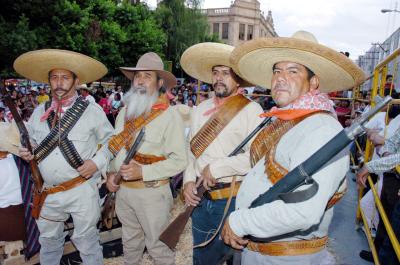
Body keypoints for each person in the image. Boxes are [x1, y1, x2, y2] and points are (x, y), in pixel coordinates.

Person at [221, 30, 365, 265]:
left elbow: (302, 211)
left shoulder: (322, 130)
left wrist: (239, 222)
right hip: (259, 251)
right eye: (277, 70)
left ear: (314, 82)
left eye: (293, 71)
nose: (280, 78)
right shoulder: (286, 120)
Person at [15, 49, 114, 265]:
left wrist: (96, 163)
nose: (59, 83)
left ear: (76, 81)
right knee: (49, 244)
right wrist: (26, 151)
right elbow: (30, 141)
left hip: (81, 189)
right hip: (48, 192)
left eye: (65, 77)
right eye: (54, 77)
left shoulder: (91, 111)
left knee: (88, 244)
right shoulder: (39, 112)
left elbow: (111, 143)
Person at [180, 42, 264, 265]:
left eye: (226, 73)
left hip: (232, 199)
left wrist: (217, 167)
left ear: (238, 79)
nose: (219, 78)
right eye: (215, 73)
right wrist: (188, 182)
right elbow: (191, 154)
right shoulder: (198, 110)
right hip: (200, 198)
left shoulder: (252, 110)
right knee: (201, 258)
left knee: (233, 259)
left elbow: (256, 158)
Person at [106, 52, 187, 265]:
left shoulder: (170, 116)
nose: (140, 80)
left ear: (159, 83)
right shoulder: (125, 112)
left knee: (158, 248)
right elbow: (115, 149)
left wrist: (143, 171)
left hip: (153, 194)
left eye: (147, 76)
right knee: (130, 245)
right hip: (124, 193)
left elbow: (180, 161)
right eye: (138, 76)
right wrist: (110, 173)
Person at [357, 126, 400, 264]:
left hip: (392, 172)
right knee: (385, 217)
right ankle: (378, 253)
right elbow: (392, 142)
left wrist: (371, 166)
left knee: (395, 229)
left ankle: (383, 257)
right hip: (392, 174)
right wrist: (388, 153)